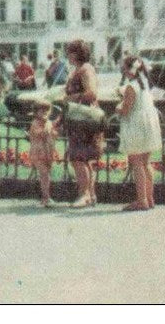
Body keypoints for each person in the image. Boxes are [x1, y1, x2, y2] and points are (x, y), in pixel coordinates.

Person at [116, 56, 162, 211]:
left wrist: (118, 108)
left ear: (129, 71)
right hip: (149, 124)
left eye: (123, 68)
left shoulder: (131, 87)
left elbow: (126, 109)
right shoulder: (145, 86)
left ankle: (141, 200)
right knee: (145, 162)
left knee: (136, 162)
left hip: (136, 125)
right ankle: (150, 198)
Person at [63, 40, 102, 208]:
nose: (67, 55)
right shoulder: (80, 69)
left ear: (78, 53)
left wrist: (70, 98)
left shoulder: (86, 69)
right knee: (83, 158)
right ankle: (90, 194)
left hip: (84, 119)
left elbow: (92, 93)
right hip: (79, 118)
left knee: (79, 158)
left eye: (70, 52)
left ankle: (84, 195)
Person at [28, 99, 58, 207]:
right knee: (44, 174)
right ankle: (46, 198)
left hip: (48, 152)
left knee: (46, 175)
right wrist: (47, 125)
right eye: (42, 110)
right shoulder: (35, 123)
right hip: (38, 152)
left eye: (47, 110)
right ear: (36, 112)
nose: (45, 112)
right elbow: (41, 134)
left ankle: (45, 197)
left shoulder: (48, 123)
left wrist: (54, 130)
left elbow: (53, 134)